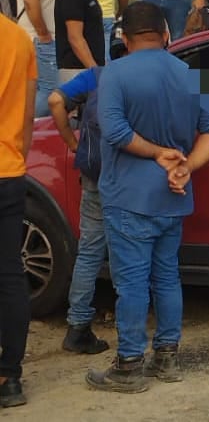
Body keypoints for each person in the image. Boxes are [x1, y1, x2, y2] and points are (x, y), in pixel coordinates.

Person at [86, 2, 209, 393]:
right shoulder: (196, 74)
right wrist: (187, 167)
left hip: (128, 197)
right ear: (166, 35)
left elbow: (114, 131)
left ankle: (129, 364)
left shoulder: (115, 72)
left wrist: (155, 153)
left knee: (131, 283)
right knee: (166, 277)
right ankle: (166, 358)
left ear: (125, 39)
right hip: (174, 197)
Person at [47, 26, 128, 356]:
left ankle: (78, 326)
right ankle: (130, 331)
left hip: (94, 174)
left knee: (91, 250)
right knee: (126, 249)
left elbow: (54, 100)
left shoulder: (97, 75)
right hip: (126, 176)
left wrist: (72, 143)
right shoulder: (143, 77)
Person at [0, 14, 37, 409]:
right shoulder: (18, 39)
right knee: (9, 273)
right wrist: (17, 158)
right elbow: (27, 115)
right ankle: (9, 375)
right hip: (8, 170)